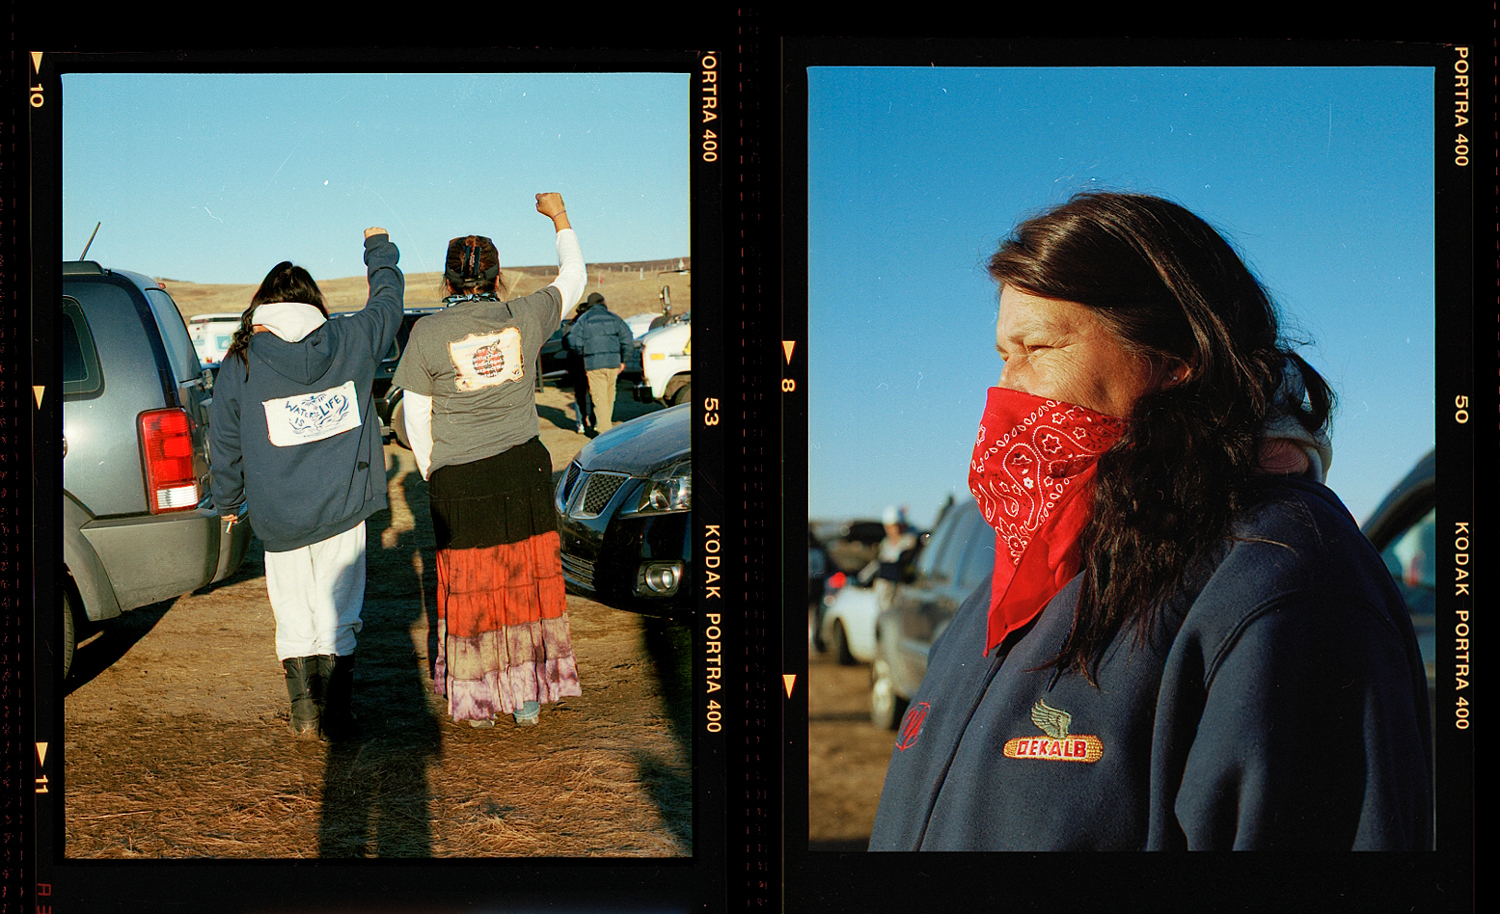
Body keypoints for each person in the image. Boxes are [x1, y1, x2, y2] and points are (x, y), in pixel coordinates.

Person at [868, 191, 1431, 851]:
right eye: (1002, 354)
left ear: (1176, 358)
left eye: (1039, 347)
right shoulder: (1020, 585)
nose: (1005, 389)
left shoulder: (1278, 576)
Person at [392, 192, 585, 728]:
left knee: (471, 585)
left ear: (447, 283)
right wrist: (560, 217)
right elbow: (574, 275)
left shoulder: (427, 333)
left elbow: (416, 418)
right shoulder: (527, 314)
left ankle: (479, 703)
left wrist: (436, 471)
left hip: (460, 478)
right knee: (525, 578)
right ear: (498, 279)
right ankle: (527, 698)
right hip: (523, 467)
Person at [210, 227, 404, 741]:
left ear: (262, 307)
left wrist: (230, 502)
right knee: (340, 609)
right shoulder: (351, 339)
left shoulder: (240, 362)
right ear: (313, 304)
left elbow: (224, 443)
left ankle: (304, 715)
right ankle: (338, 716)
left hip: (279, 516)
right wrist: (378, 247)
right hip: (343, 511)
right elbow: (389, 298)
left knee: (294, 612)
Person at [566, 291, 634, 433]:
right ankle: (605, 427)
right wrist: (623, 360)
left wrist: (582, 355)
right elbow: (627, 340)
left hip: (594, 365)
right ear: (603, 303)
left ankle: (603, 431)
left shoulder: (583, 320)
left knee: (599, 398)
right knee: (609, 397)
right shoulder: (615, 318)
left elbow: (573, 341)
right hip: (613, 363)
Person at [857, 506, 922, 609]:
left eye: (897, 526)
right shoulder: (886, 544)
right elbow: (878, 564)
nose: (894, 530)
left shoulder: (910, 543)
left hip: (899, 592)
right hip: (884, 591)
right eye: (890, 526)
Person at [562, 296, 595, 433]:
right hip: (589, 362)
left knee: (579, 394)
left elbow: (564, 345)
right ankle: (593, 421)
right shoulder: (589, 325)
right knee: (594, 394)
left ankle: (580, 422)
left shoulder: (569, 326)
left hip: (574, 363)